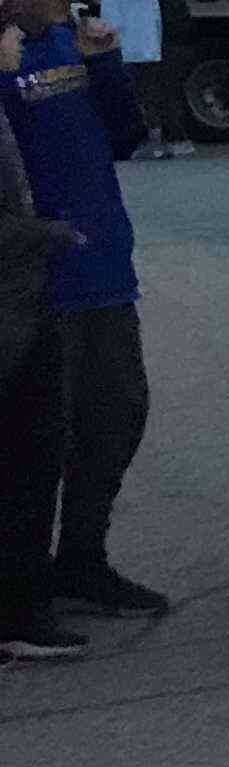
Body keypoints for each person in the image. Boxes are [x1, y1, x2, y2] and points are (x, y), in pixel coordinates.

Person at [2, 0, 164, 621]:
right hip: (31, 275)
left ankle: (84, 558)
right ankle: (21, 585)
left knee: (116, 413)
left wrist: (106, 64)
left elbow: (126, 137)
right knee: (37, 438)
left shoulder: (74, 41)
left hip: (101, 262)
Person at [0, 39, 85, 661]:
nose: (18, 42)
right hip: (12, 309)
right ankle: (19, 614)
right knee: (26, 457)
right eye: (7, 30)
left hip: (21, 303)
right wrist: (49, 234)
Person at [96, 0, 183, 160]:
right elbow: (155, 17)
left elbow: (110, 20)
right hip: (148, 48)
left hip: (125, 50)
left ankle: (142, 141)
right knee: (153, 95)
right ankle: (162, 141)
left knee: (132, 98)